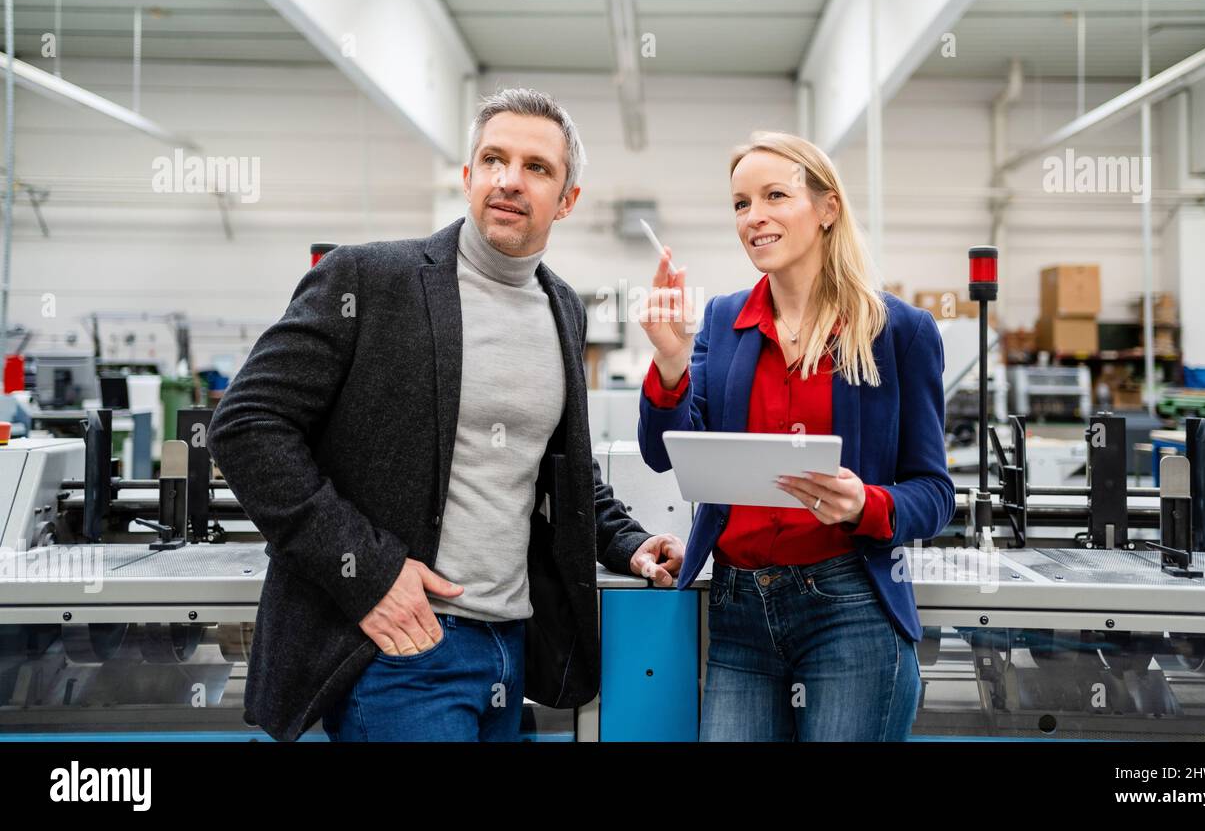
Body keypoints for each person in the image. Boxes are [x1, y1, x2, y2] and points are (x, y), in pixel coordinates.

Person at [210, 87, 684, 742]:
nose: (509, 180)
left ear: (567, 199)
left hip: (509, 646)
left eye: (536, 167)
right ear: (467, 176)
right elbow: (246, 426)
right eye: (493, 159)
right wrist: (370, 574)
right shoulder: (369, 280)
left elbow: (555, 469)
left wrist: (628, 543)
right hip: (402, 648)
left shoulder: (562, 308)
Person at [637, 131, 954, 741]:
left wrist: (866, 503)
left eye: (774, 196)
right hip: (739, 607)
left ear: (827, 207)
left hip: (851, 608)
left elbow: (935, 494)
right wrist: (671, 363)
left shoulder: (898, 332)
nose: (753, 217)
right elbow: (661, 453)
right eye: (741, 203)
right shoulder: (723, 322)